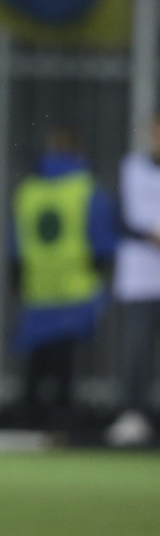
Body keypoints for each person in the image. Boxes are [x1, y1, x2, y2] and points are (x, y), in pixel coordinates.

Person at [10, 125, 117, 433]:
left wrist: (18, 279)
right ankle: (61, 428)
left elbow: (16, 242)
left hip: (37, 288)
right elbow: (101, 241)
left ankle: (26, 425)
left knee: (36, 362)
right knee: (65, 365)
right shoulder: (86, 188)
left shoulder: (30, 189)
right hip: (75, 288)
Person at [105, 111, 160, 447]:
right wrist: (148, 235)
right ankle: (134, 414)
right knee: (137, 349)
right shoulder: (132, 168)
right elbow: (119, 217)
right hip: (140, 275)